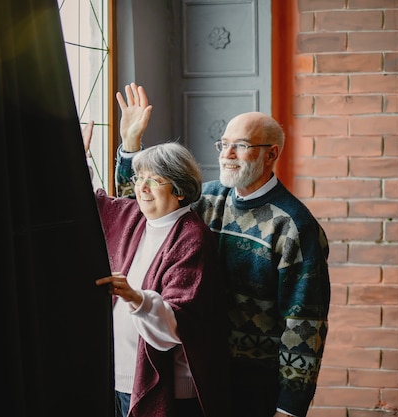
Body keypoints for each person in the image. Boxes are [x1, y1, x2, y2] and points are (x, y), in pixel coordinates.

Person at [113, 83, 330, 417]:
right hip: (200, 371)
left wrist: (290, 407)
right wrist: (130, 145)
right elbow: (137, 211)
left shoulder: (293, 226)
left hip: (254, 383)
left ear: (271, 153)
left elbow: (304, 324)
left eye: (240, 146)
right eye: (224, 144)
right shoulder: (207, 199)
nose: (226, 154)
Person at [83, 121, 230, 417]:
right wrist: (78, 159)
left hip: (171, 391)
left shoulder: (191, 237)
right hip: (118, 377)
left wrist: (136, 298)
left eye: (154, 180)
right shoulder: (134, 217)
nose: (142, 187)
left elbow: (177, 325)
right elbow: (90, 203)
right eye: (140, 178)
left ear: (179, 190)